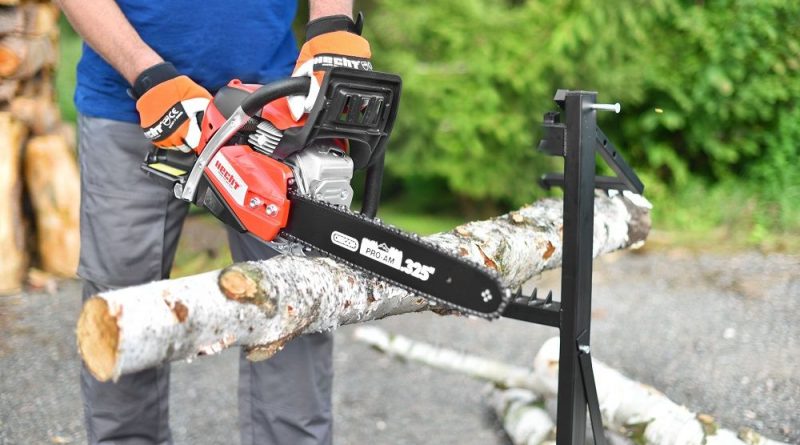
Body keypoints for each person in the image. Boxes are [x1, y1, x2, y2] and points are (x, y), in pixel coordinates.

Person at [56, 1, 372, 443]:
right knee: (122, 312)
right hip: (130, 106)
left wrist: (331, 24)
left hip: (274, 109)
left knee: (297, 305)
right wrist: (146, 74)